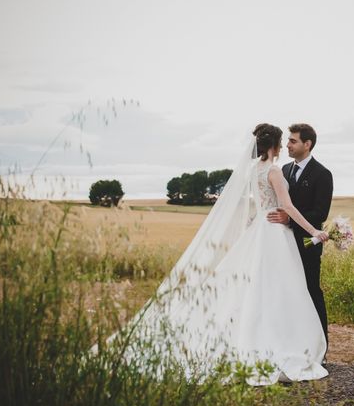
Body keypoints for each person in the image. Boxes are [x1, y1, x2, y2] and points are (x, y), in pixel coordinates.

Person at [106, 123, 330, 385]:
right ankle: (277, 340)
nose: (285, 147)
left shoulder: (254, 170)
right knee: (279, 288)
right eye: (283, 142)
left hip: (260, 230)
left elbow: (257, 206)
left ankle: (258, 335)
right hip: (273, 235)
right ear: (274, 146)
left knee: (259, 289)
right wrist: (315, 230)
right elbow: (288, 207)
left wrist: (251, 227)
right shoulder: (275, 171)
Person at [267, 124, 333, 357]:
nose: (288, 145)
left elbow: (320, 213)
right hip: (280, 244)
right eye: (288, 141)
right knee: (286, 294)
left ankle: (320, 349)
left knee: (311, 291)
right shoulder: (283, 169)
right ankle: (291, 345)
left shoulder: (322, 174)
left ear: (308, 144)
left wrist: (290, 218)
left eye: (293, 141)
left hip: (306, 244)